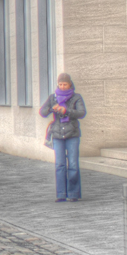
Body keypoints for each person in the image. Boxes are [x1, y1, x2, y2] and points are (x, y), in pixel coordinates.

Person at [39, 73, 86, 201]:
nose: (63, 86)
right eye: (61, 84)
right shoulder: (53, 97)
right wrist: (51, 109)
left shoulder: (76, 97)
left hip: (73, 134)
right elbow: (42, 112)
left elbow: (82, 113)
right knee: (60, 164)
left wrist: (67, 111)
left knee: (73, 164)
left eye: (65, 84)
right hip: (58, 134)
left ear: (70, 84)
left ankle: (73, 194)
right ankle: (61, 194)